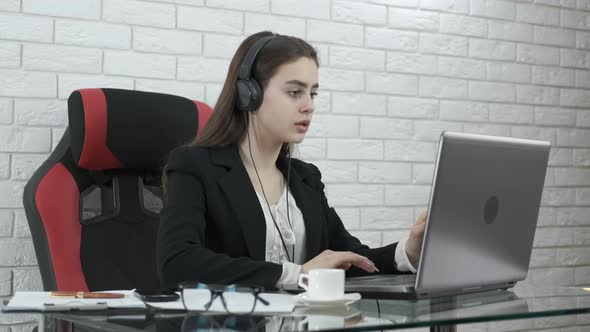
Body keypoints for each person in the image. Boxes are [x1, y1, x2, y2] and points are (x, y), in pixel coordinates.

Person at [158, 31, 426, 290]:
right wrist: (297, 274)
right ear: (248, 94)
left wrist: (409, 251)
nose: (309, 105)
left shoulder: (304, 178)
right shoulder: (194, 166)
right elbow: (178, 262)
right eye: (295, 92)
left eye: (313, 93)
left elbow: (348, 257)